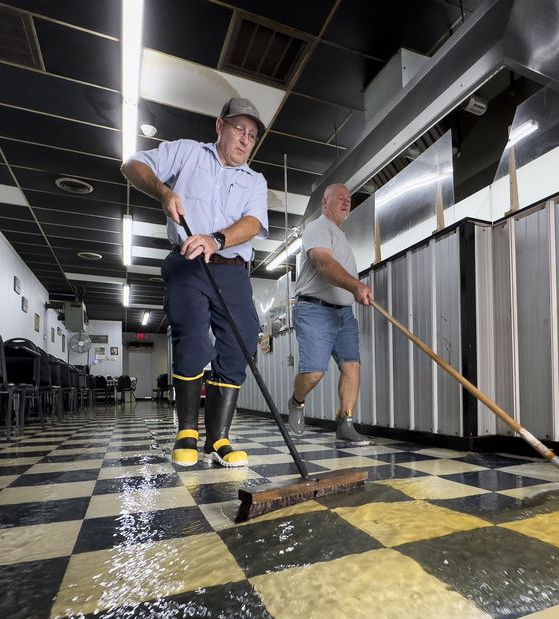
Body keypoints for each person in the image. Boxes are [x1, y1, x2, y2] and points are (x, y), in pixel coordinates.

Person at [121, 97, 268, 468]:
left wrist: (216, 238)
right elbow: (132, 164)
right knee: (193, 335)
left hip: (232, 268)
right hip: (187, 263)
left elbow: (253, 224)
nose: (245, 140)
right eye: (239, 129)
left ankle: (218, 437)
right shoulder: (187, 153)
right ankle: (187, 430)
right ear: (220, 125)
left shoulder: (254, 180)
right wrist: (164, 191)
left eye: (252, 135)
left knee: (243, 339)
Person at [288, 184, 373, 444]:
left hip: (343, 314)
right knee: (314, 372)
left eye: (348, 199)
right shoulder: (317, 228)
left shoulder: (341, 234)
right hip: (314, 309)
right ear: (325, 203)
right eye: (340, 198)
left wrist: (353, 292)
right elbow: (324, 264)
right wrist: (356, 285)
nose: (346, 202)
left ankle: (345, 422)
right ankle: (296, 401)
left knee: (352, 367)